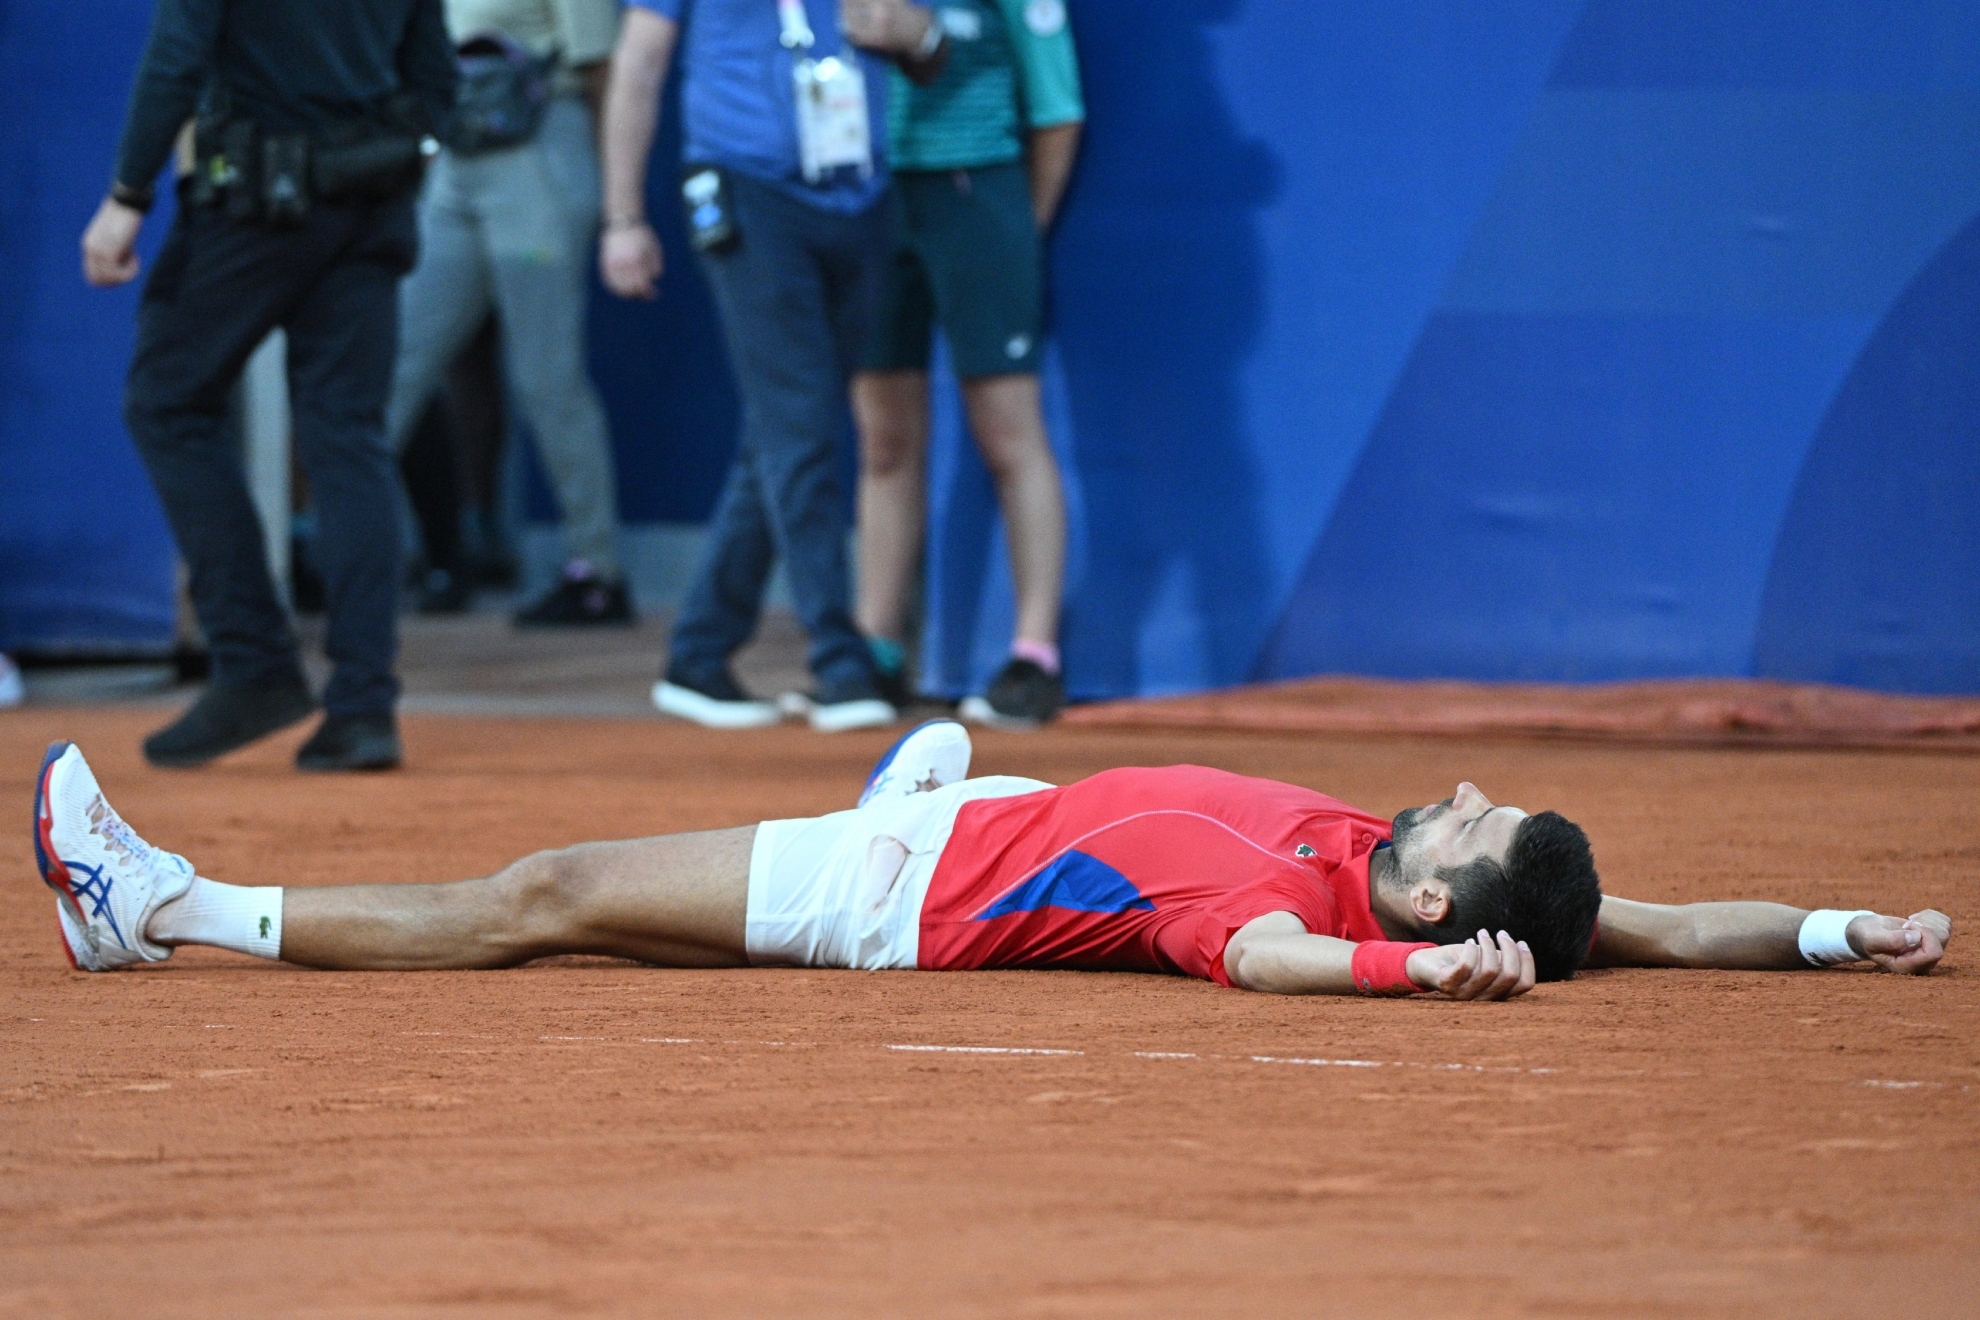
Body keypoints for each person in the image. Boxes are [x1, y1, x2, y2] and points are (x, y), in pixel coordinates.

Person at [32, 724, 1953, 997]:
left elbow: (1279, 973)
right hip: (965, 822)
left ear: (1439, 901)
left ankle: (164, 904)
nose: (1448, 796)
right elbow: (1655, 924)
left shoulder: (1282, 913)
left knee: (549, 893)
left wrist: (1406, 984)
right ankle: (940, 775)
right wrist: (1823, 927)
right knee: (980, 771)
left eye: (1466, 829)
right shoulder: (1373, 844)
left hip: (888, 891)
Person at [82, 0, 456, 772]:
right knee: (348, 436)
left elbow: (177, 58)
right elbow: (436, 82)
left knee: (167, 401)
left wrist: (127, 195)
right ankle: (363, 707)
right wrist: (372, 155)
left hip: (255, 201)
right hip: (370, 198)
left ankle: (254, 664)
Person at [598, 0, 948, 732]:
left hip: (862, 193)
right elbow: (638, 66)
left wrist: (919, 34)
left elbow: (930, 50)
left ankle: (700, 651)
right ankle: (839, 658)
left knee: (782, 432)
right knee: (803, 426)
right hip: (747, 189)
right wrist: (624, 217)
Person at [853, 0, 1083, 727]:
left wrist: (1017, 226)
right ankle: (873, 651)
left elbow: (1058, 109)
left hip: (977, 191)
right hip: (866, 198)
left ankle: (1034, 656)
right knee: (883, 439)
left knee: (1009, 435)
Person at [384, 0, 634, 628]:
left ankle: (597, 569)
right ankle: (343, 562)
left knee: (546, 376)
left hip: (540, 151)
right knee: (392, 360)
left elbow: (602, 67)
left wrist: (618, 204)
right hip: (457, 159)